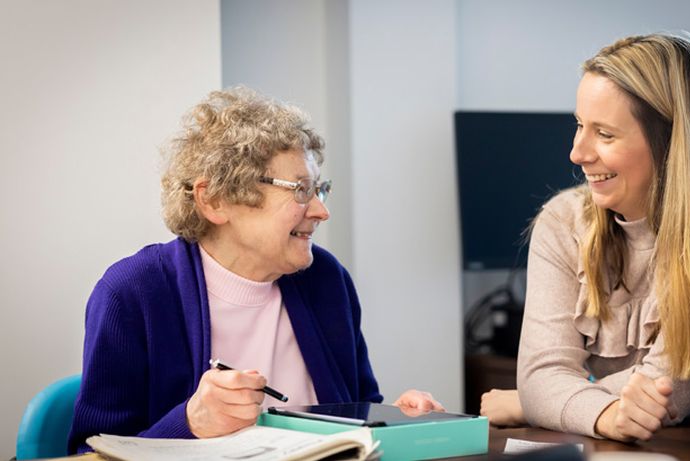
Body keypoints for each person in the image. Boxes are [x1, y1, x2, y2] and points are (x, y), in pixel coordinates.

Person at [68, 87, 443, 453]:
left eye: (319, 190)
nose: (320, 211)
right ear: (215, 199)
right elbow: (89, 453)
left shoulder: (326, 280)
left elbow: (360, 408)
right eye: (299, 190)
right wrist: (190, 422)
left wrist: (395, 420)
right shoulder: (134, 292)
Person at [480, 33, 690, 442]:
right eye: (579, 125)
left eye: (604, 134)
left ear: (672, 144)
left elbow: (666, 392)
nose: (577, 152)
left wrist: (536, 403)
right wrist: (583, 408)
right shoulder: (563, 222)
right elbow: (541, 376)